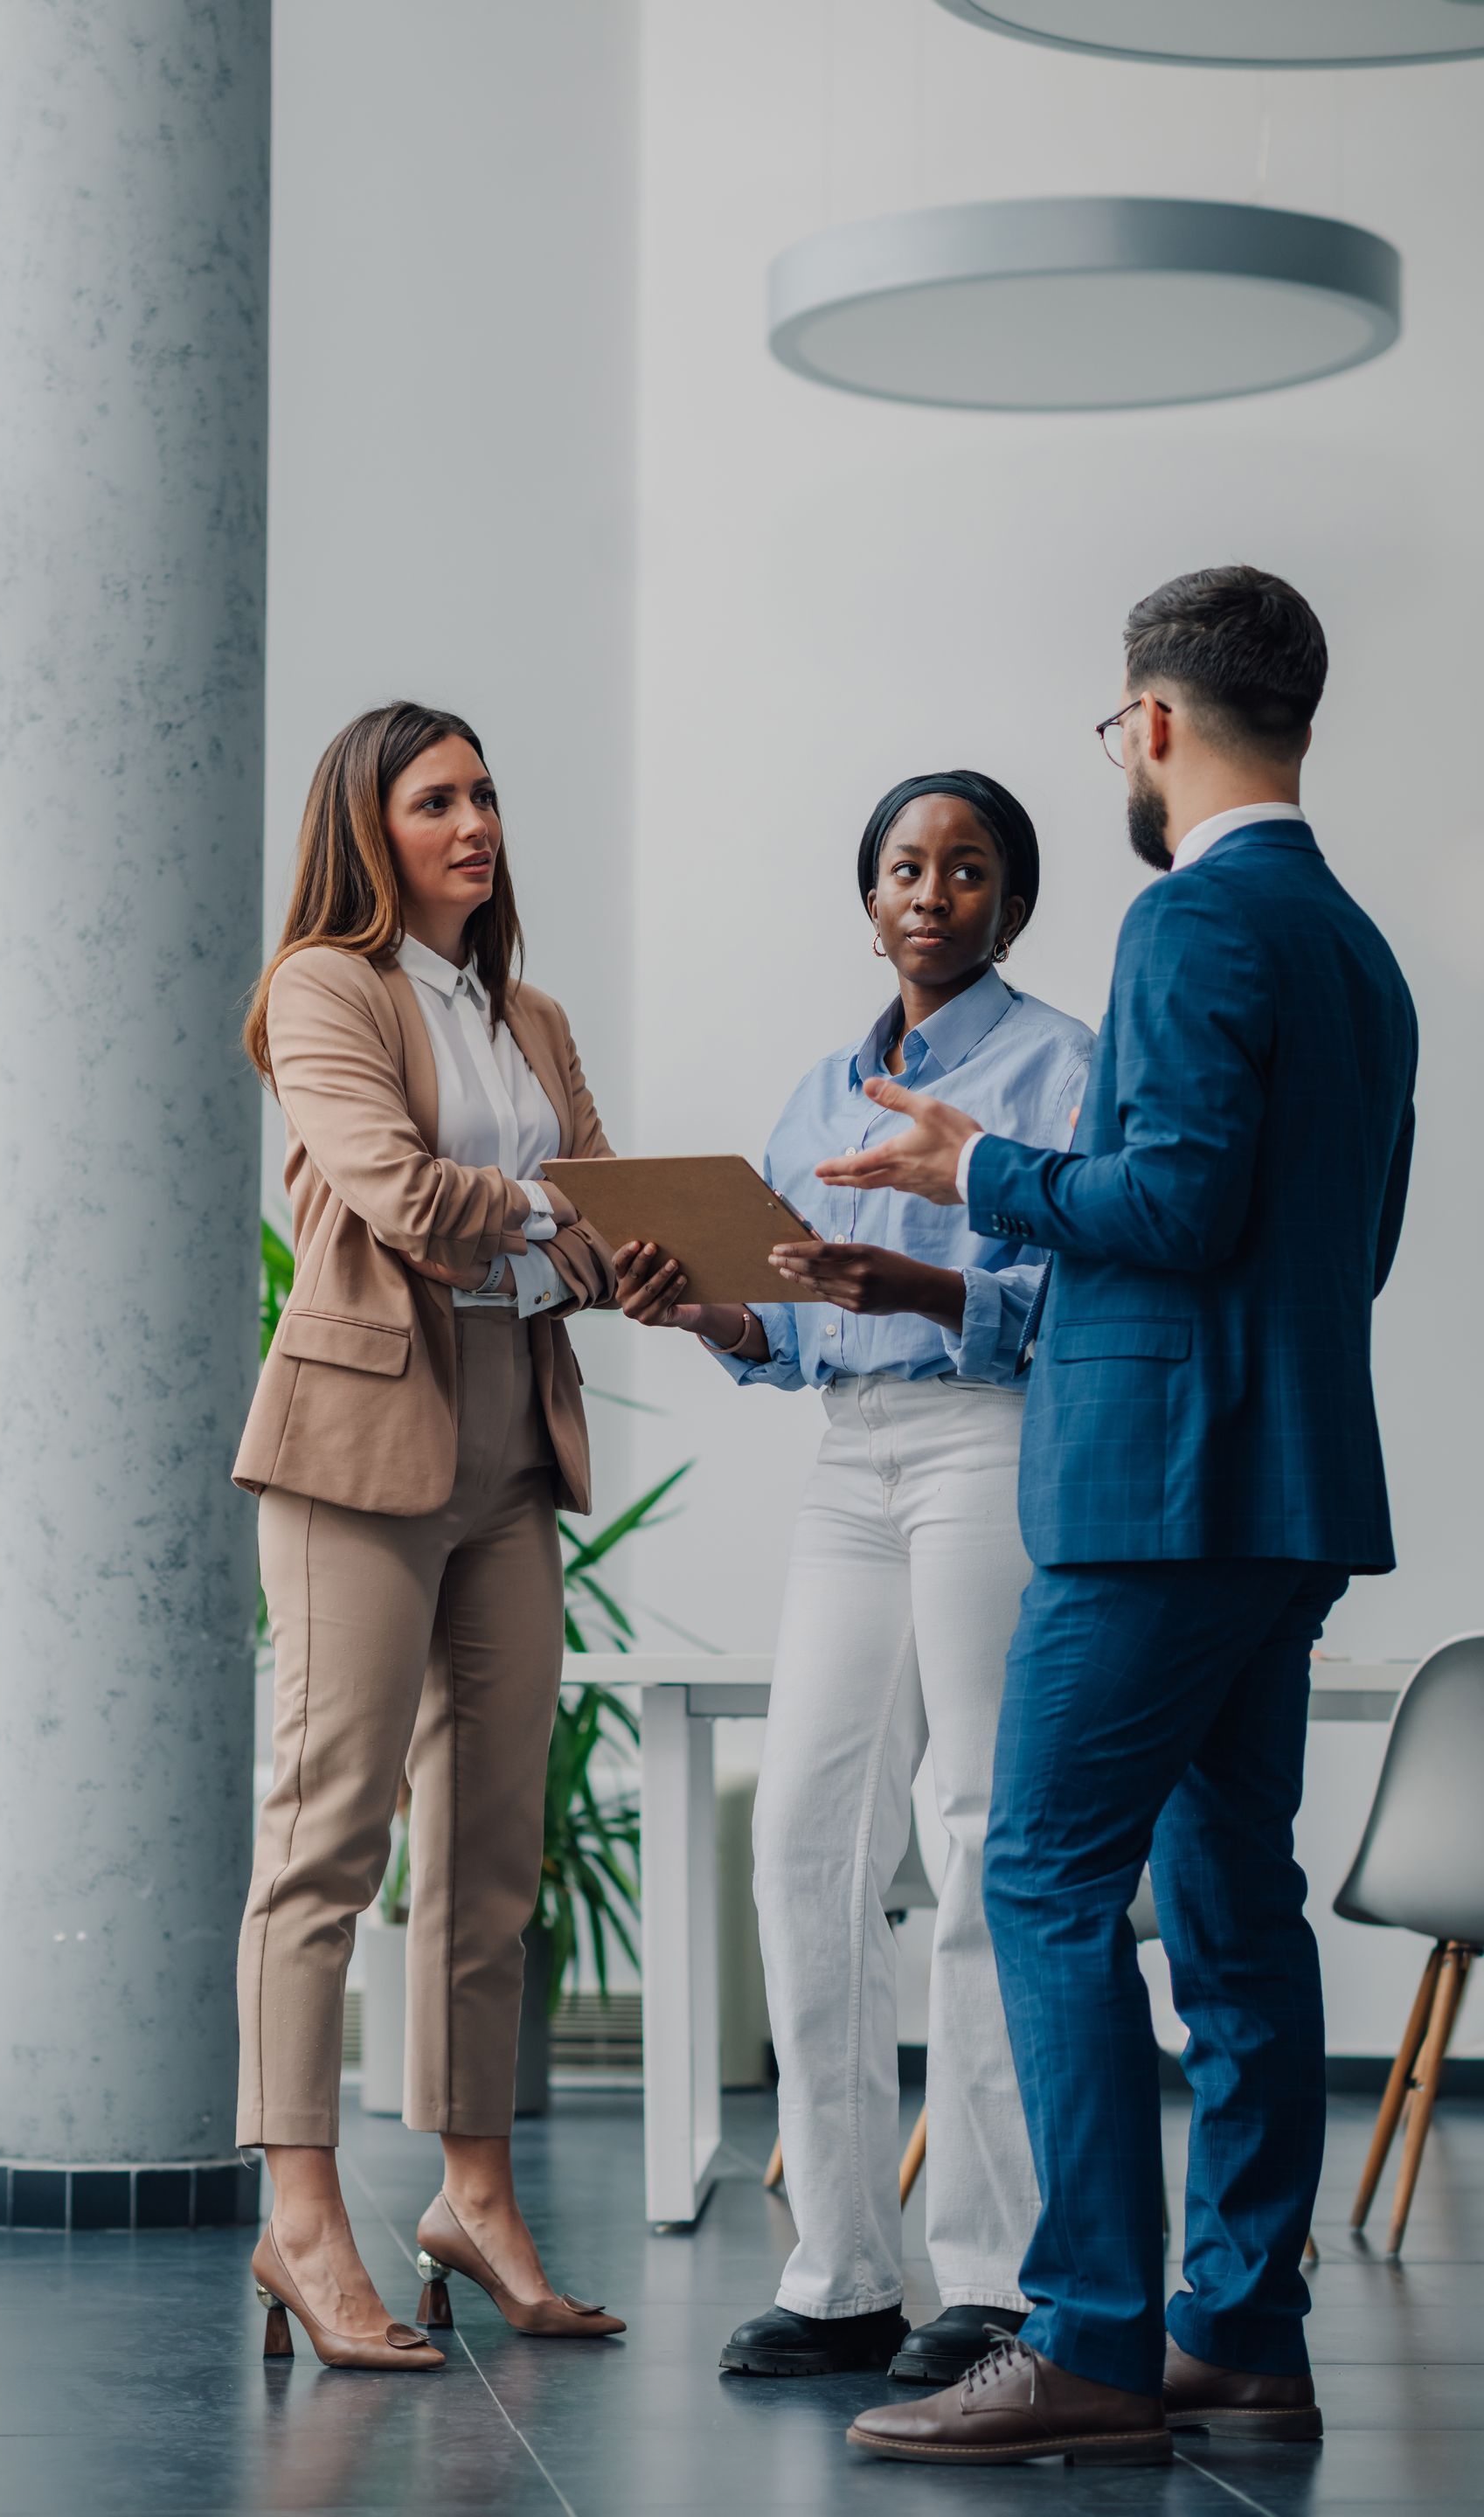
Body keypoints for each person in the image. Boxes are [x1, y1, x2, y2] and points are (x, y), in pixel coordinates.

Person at [831, 568, 1417, 2468]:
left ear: (1155, 725)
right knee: (1234, 1899)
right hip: (1291, 1489)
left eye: (1115, 729)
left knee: (1042, 1873)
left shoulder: (1190, 922)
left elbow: (1173, 1210)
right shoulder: (1357, 944)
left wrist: (978, 1166)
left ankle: (1086, 2331)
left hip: (1155, 1500)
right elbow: (1341, 1241)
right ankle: (1239, 2331)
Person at [616, 772, 1092, 2383]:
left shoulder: (1058, 1065)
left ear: (1009, 903)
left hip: (987, 1444)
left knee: (972, 1841)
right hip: (850, 1455)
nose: (930, 892)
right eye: (904, 865)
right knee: (809, 1842)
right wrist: (717, 1314)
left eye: (967, 870)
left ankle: (996, 2274)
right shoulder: (826, 1088)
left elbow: (1076, 1290)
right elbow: (799, 1320)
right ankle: (841, 2272)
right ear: (869, 895)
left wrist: (919, 1280)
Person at [232, 701, 627, 2368]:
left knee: (489, 1849)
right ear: (368, 825)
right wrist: (556, 1216)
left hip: (510, 1444)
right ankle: (301, 2218)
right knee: (328, 1834)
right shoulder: (327, 983)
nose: (474, 822)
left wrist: (643, 1247)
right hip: (363, 1440)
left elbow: (618, 1196)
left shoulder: (527, 1013)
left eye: (484, 795)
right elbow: (396, 1188)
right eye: (434, 800)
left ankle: (474, 2193)